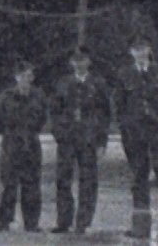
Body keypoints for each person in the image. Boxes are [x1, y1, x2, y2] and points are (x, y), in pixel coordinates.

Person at [114, 36, 158, 239]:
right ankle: (141, 227)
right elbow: (119, 104)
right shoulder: (124, 74)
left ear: (149, 50)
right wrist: (125, 127)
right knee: (138, 179)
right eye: (136, 49)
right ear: (131, 53)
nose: (140, 53)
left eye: (143, 49)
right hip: (135, 134)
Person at [49, 48, 111, 235]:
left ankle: (83, 221)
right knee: (63, 180)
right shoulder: (63, 83)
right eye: (75, 60)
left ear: (89, 61)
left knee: (88, 181)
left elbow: (105, 114)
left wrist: (101, 141)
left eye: (82, 60)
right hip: (67, 139)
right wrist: (59, 133)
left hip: (89, 139)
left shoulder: (98, 84)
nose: (79, 64)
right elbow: (55, 111)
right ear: (71, 63)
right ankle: (64, 220)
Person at [0, 59, 48, 233]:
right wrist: (12, 135)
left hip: (31, 143)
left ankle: (31, 223)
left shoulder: (38, 96)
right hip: (12, 144)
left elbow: (42, 118)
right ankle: (4, 222)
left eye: (30, 76)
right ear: (16, 77)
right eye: (24, 76)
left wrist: (30, 132)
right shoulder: (6, 97)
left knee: (32, 184)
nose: (27, 79)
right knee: (9, 184)